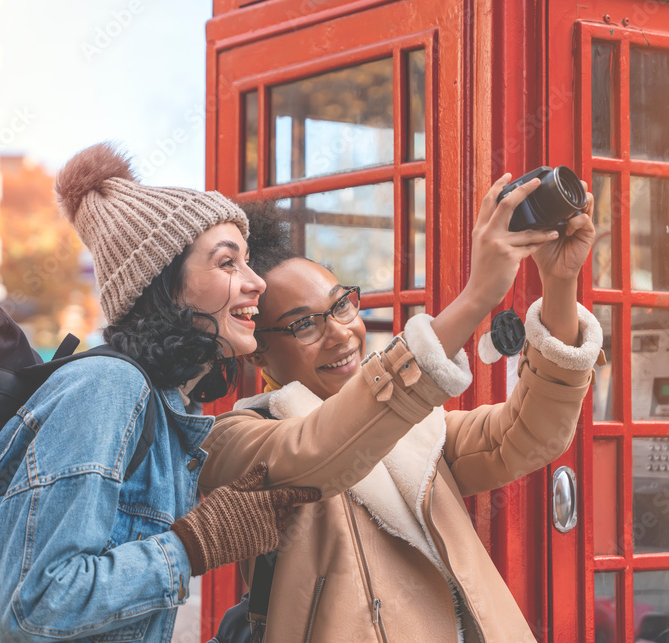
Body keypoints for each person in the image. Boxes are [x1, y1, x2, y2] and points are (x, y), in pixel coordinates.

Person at [0, 143, 319, 643]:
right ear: (165, 286)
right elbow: (33, 606)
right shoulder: (107, 390)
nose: (256, 283)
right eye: (227, 263)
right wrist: (194, 545)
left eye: (248, 261)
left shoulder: (171, 410)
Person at [200, 175, 605, 642]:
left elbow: (529, 434)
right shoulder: (236, 441)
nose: (340, 334)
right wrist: (476, 298)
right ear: (257, 353)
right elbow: (326, 447)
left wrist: (559, 283)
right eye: (305, 325)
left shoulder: (419, 428)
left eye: (342, 307)